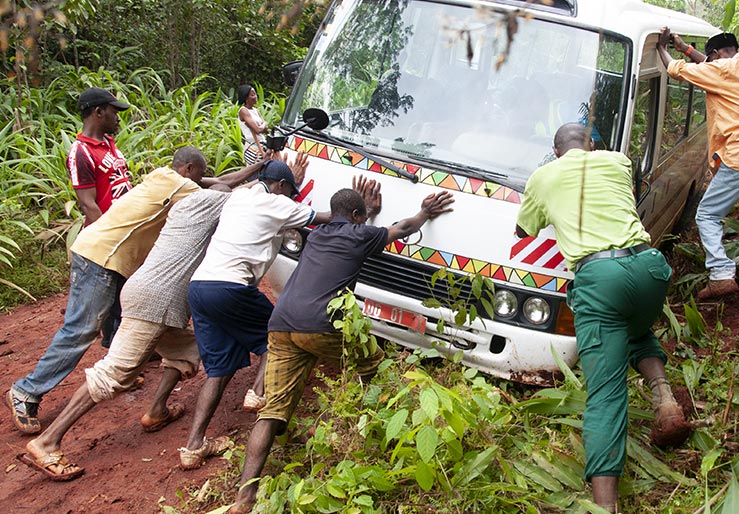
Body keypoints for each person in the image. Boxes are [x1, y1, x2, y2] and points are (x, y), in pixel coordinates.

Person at [229, 179, 453, 512]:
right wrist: (424, 211)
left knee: (272, 410)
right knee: (377, 368)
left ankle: (243, 498)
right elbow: (403, 227)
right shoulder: (361, 234)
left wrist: (366, 215)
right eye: (362, 216)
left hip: (281, 323)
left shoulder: (317, 234)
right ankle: (379, 438)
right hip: (321, 325)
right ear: (357, 215)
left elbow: (351, 231)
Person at [7, 148, 262, 436]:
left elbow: (213, 183)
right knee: (84, 334)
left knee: (162, 338)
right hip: (105, 258)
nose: (202, 180)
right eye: (200, 175)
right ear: (189, 169)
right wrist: (263, 177)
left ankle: (149, 389)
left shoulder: (165, 178)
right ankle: (32, 401)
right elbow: (223, 191)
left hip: (119, 265)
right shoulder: (185, 189)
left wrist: (259, 167)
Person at [515, 123, 691, 511]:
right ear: (592, 145)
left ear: (556, 151)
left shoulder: (543, 176)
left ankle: (605, 507)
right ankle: (665, 400)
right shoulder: (617, 161)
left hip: (601, 279)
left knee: (607, 394)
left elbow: (522, 231)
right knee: (634, 327)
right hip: (649, 267)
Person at [16, 185, 233, 481]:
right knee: (113, 374)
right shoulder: (219, 204)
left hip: (145, 291)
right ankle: (47, 442)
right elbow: (248, 195)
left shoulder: (184, 207)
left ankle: (157, 410)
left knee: (188, 350)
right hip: (157, 302)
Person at [179, 159, 330, 470]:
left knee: (218, 369)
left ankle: (193, 446)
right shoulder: (278, 203)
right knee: (278, 334)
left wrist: (286, 182)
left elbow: (261, 187)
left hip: (200, 286)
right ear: (282, 188)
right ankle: (258, 394)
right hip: (230, 287)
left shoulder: (241, 196)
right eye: (289, 191)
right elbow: (326, 217)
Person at [656, 28, 739, 324]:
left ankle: (721, 273)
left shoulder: (719, 71)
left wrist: (664, 48)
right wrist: (687, 49)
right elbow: (714, 68)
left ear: (716, 56)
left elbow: (675, 70)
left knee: (706, 215)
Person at [69, 87, 134, 347]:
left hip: (123, 230)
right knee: (108, 299)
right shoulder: (80, 152)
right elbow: (88, 204)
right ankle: (114, 352)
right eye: (113, 111)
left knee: (123, 293)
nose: (117, 117)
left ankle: (123, 346)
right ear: (98, 112)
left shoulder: (109, 144)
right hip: (108, 235)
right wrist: (111, 237)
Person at [237, 85, 269, 166]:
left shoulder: (256, 110)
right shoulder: (243, 111)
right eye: (252, 95)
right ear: (246, 98)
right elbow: (258, 130)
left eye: (255, 94)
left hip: (262, 144)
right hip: (253, 147)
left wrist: (262, 126)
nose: (255, 97)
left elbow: (266, 130)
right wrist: (264, 124)